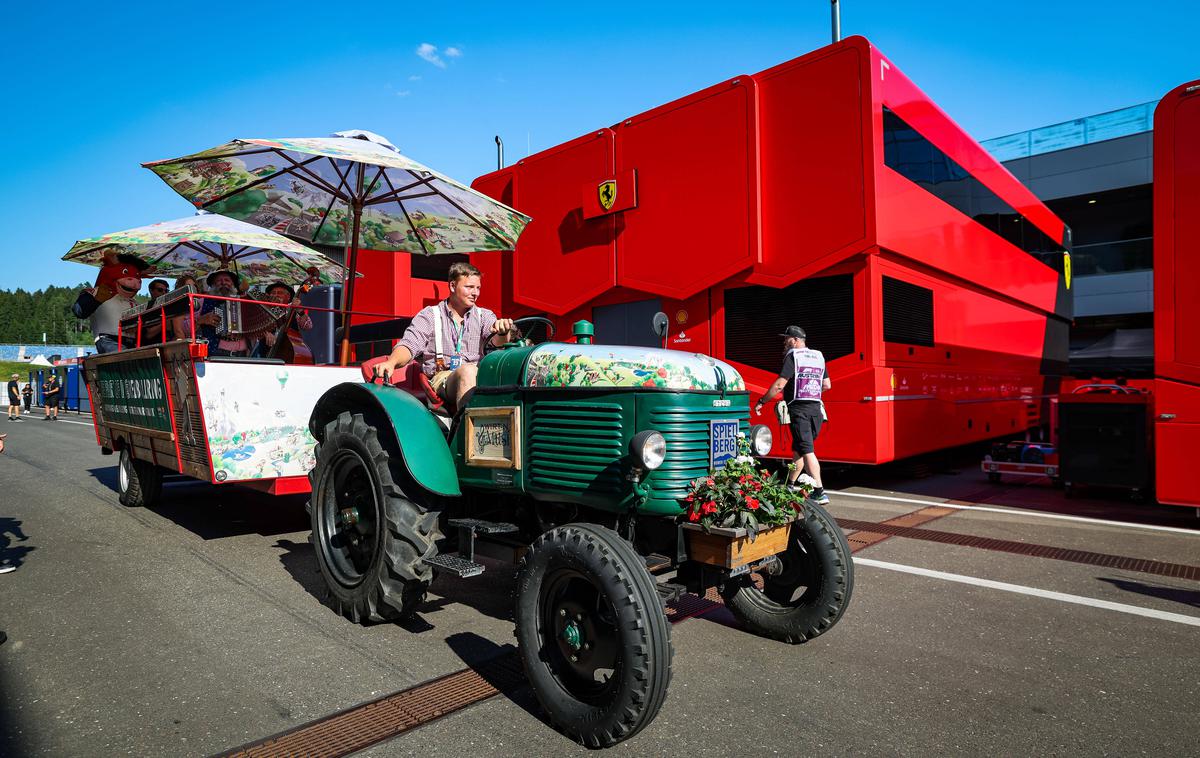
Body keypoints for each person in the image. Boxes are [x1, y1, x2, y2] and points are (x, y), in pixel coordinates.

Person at [373, 262, 515, 409]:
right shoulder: (430, 315)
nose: (475, 293)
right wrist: (392, 362)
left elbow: (497, 343)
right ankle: (467, 430)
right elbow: (409, 345)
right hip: (442, 378)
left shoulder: (484, 315)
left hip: (481, 376)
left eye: (478, 288)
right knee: (467, 371)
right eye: (469, 287)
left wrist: (503, 332)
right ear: (452, 286)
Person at [753, 326, 832, 505]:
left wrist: (762, 401)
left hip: (800, 411)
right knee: (799, 450)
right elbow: (827, 385)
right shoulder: (818, 356)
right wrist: (810, 390)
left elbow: (780, 384)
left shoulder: (793, 356)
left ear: (795, 340)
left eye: (787, 338)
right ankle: (789, 485)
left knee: (807, 451)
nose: (784, 342)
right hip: (816, 410)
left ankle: (819, 491)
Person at [75, 253, 149, 353]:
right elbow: (79, 311)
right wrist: (96, 300)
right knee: (124, 360)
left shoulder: (135, 302)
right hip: (109, 340)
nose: (136, 283)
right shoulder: (98, 292)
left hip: (133, 343)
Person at [253, 281, 314, 357]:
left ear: (288, 296)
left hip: (287, 352)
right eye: (273, 292)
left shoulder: (292, 309)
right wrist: (265, 333)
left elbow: (308, 326)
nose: (276, 295)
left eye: (280, 293)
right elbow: (255, 328)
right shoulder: (264, 309)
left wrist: (300, 310)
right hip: (265, 352)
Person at [196, 271, 250, 356]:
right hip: (216, 352)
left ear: (233, 284)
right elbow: (184, 327)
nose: (223, 283)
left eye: (227, 280)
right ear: (213, 285)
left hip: (243, 353)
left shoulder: (243, 302)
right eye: (219, 280)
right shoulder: (203, 301)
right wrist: (200, 320)